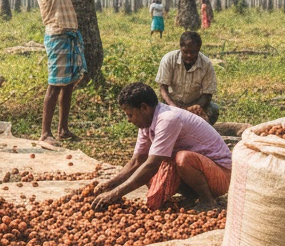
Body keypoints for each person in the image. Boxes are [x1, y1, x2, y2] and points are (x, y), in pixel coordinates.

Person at [91, 82, 231, 212]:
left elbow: (152, 165)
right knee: (147, 172)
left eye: (130, 114)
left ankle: (208, 201)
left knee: (182, 159)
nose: (128, 119)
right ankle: (192, 197)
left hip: (221, 174)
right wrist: (110, 185)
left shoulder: (168, 119)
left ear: (144, 108)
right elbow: (137, 161)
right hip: (203, 171)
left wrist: (116, 193)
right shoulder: (146, 123)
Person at [31, 0, 87, 145]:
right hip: (57, 33)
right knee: (54, 84)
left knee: (69, 84)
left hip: (69, 32)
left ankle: (63, 129)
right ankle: (45, 133)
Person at [156, 30, 220, 126]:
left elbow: (207, 95)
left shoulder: (206, 64)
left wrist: (191, 108)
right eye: (185, 52)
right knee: (159, 115)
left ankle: (200, 134)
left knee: (213, 109)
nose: (189, 55)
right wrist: (174, 107)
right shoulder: (168, 59)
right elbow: (163, 88)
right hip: (171, 102)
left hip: (194, 104)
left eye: (193, 52)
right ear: (180, 48)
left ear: (198, 49)